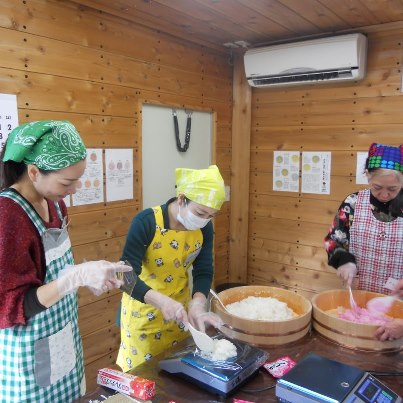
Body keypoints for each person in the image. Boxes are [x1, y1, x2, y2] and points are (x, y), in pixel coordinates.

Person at [0, 120, 132, 402]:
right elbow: (9, 306)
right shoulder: (8, 216)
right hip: (26, 351)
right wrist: (75, 277)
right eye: (67, 181)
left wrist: (89, 273)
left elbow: (50, 272)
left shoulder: (55, 204)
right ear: (33, 172)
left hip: (63, 337)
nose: (74, 189)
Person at [117, 165, 226, 370]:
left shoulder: (204, 228)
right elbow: (124, 277)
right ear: (182, 198)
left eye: (211, 216)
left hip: (180, 315)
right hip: (144, 316)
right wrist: (161, 301)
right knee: (146, 379)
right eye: (201, 212)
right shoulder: (147, 222)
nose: (204, 220)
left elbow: (203, 269)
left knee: (176, 375)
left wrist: (197, 304)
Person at [324, 143, 403, 294]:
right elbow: (333, 240)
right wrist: (344, 260)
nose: (384, 195)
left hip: (398, 300)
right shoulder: (352, 203)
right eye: (377, 187)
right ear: (367, 176)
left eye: (392, 189)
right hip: (359, 294)